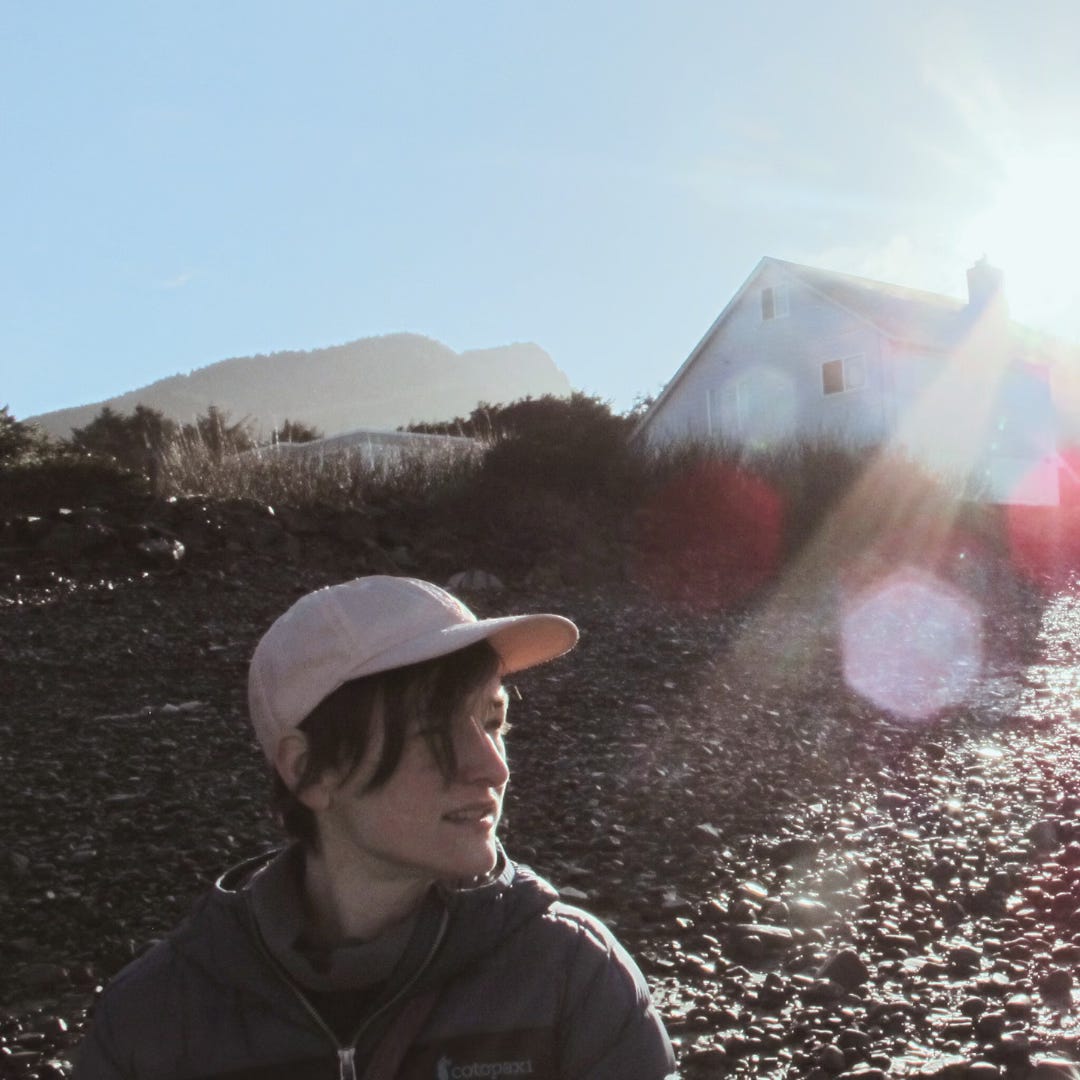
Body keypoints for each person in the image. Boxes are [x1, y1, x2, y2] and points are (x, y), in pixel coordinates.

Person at [76, 575, 676, 1080]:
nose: (493, 767)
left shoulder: (572, 976)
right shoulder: (154, 1021)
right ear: (309, 770)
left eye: (493, 721)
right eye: (435, 731)